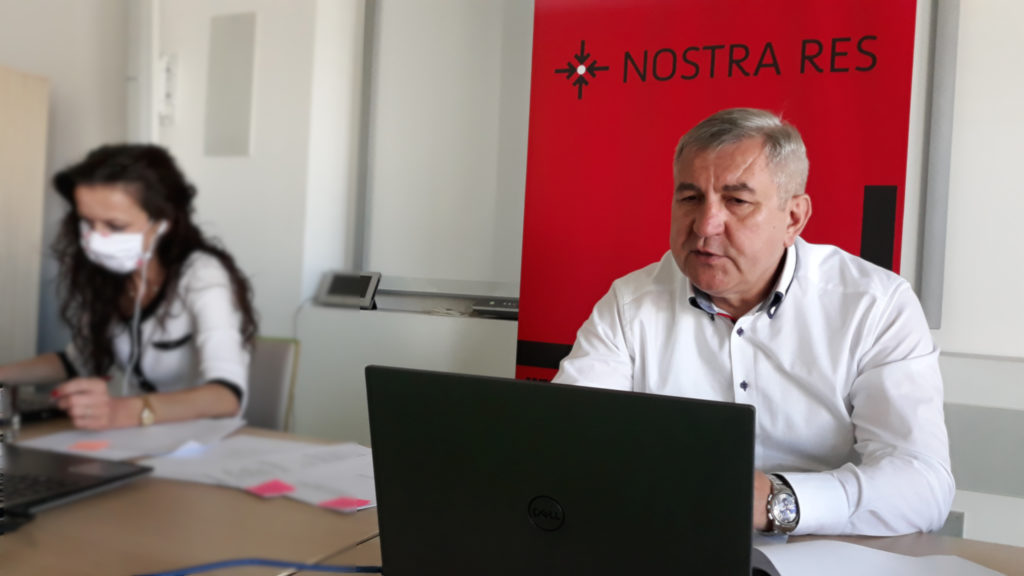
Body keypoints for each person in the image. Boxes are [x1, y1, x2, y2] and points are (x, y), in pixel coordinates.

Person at [553, 108, 954, 536]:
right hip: (667, 542)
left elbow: (923, 486)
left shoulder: (874, 306)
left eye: (737, 201)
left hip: (820, 549)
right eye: (690, 198)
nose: (705, 225)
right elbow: (565, 444)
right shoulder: (630, 303)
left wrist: (778, 501)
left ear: (793, 218)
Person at [0, 144, 258, 430]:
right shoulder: (109, 275)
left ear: (162, 223)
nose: (96, 239)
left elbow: (227, 396)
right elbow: (79, 360)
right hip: (138, 438)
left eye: (115, 226)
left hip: (202, 439)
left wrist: (124, 411)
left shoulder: (203, 276)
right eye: (87, 222)